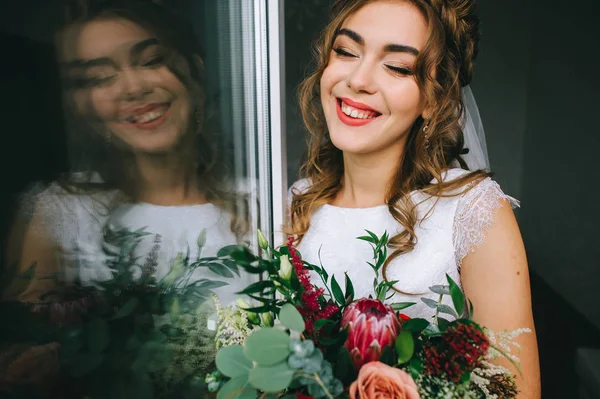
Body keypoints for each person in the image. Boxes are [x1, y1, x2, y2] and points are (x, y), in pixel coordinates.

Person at [287, 0, 540, 396]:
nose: (358, 79)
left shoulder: (472, 210)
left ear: (432, 99)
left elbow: (515, 391)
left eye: (398, 67)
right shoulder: (294, 205)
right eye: (347, 51)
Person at [3, 0, 251, 305]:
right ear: (78, 106)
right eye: (97, 78)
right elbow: (32, 341)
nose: (133, 88)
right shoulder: (60, 213)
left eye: (151, 60)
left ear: (195, 69)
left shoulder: (265, 201)